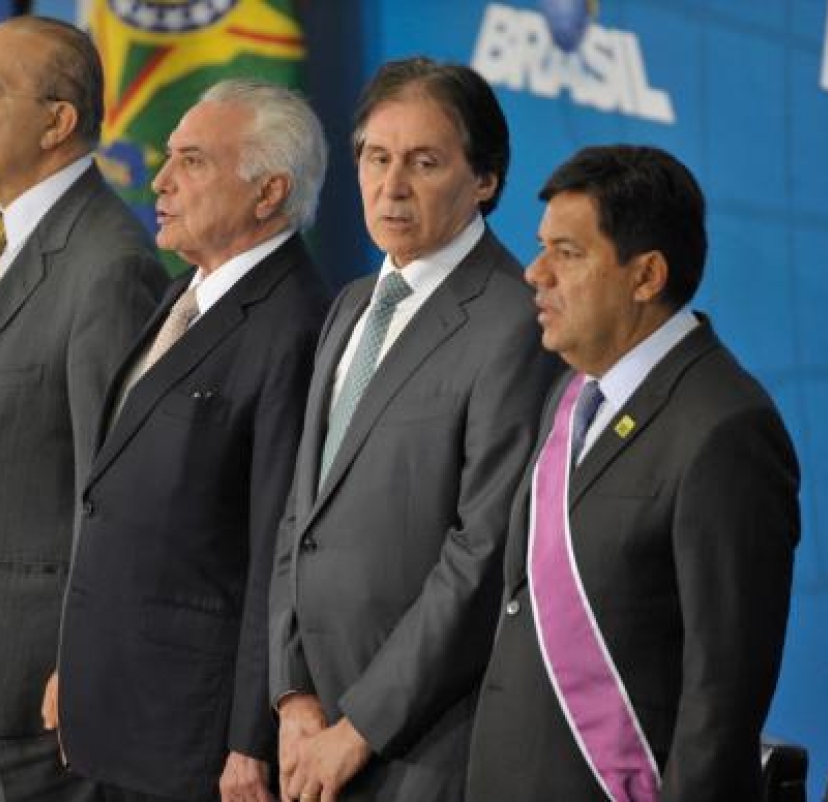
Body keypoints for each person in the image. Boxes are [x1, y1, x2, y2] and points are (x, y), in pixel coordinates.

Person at [466, 145, 800, 800]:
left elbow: (721, 697)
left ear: (644, 276)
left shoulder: (726, 429)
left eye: (568, 253)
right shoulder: (572, 394)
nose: (536, 273)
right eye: (541, 249)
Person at [268, 57, 558, 801]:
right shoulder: (353, 304)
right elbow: (304, 512)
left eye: (424, 163)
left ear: (485, 178)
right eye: (376, 157)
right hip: (310, 730)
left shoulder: (514, 322)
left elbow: (482, 552)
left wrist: (358, 728)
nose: (391, 186)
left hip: (420, 746)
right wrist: (292, 694)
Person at [0, 16, 167, 802]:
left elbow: (115, 495)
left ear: (59, 120)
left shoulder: (108, 268)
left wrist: (84, 658)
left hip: (38, 699)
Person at [52, 79, 331, 802]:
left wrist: (249, 737)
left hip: (197, 738)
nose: (161, 179)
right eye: (169, 156)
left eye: (194, 162)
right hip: (122, 705)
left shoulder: (293, 327)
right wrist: (77, 666)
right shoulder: (188, 289)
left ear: (268, 193)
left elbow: (277, 550)